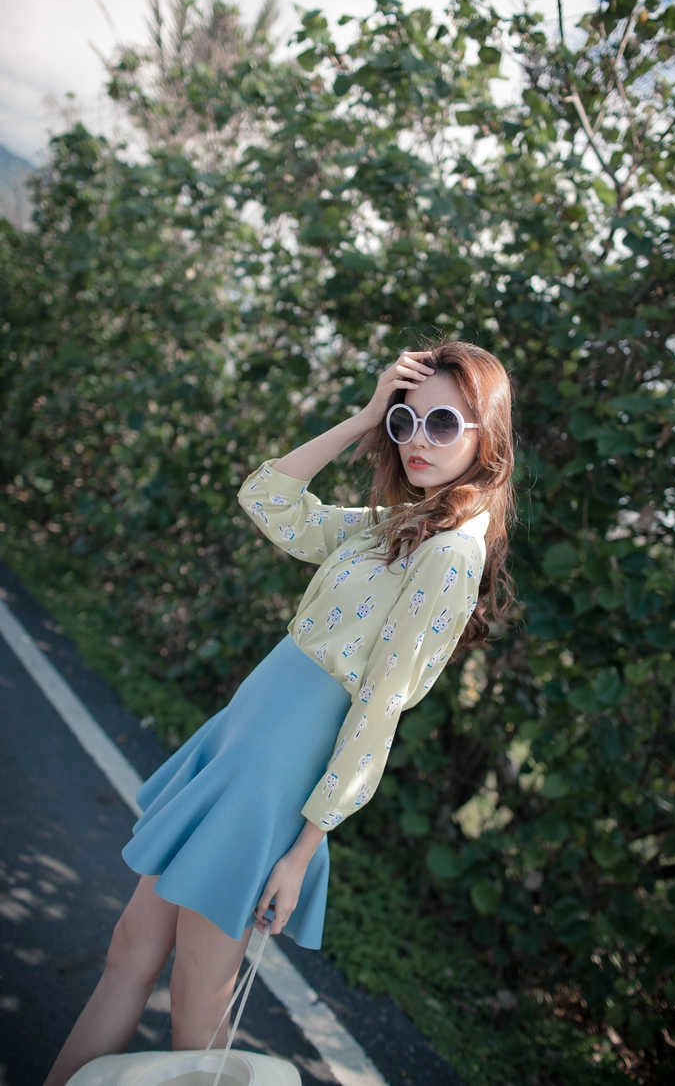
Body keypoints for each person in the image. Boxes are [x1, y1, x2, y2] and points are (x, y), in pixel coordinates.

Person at [43, 342, 514, 1086]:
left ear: (487, 438)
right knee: (130, 953)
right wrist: (364, 416)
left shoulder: (449, 556)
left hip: (269, 778)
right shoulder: (396, 524)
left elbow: (378, 710)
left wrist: (301, 852)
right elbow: (269, 499)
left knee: (197, 1014)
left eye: (443, 423)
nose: (417, 440)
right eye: (406, 421)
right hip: (239, 745)